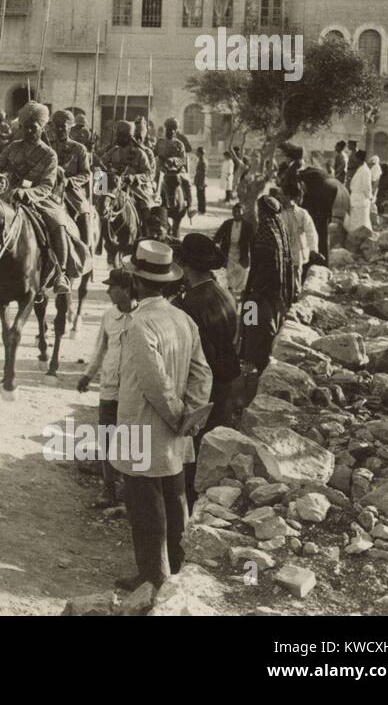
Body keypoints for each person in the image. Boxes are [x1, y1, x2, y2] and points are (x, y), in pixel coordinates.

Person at [113, 240, 211, 591]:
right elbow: (202, 373)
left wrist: (176, 416)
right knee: (174, 498)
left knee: (144, 504)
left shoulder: (140, 323)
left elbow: (154, 382)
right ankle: (175, 568)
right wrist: (191, 416)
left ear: (137, 282)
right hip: (177, 429)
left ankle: (153, 575)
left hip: (144, 425)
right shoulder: (183, 319)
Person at [173, 233, 241, 507]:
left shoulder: (189, 305)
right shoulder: (224, 294)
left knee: (191, 452)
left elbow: (190, 357)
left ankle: (185, 506)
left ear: (185, 265)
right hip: (229, 379)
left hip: (206, 387)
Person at [0, 101, 85, 294]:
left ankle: (64, 269)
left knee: (71, 217)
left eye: (32, 127)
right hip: (12, 194)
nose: (28, 131)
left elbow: (49, 185)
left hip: (48, 195)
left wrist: (74, 183)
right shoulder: (13, 147)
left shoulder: (64, 151)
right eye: (25, 127)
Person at [76, 268, 135, 509]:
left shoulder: (141, 315)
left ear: (126, 289)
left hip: (133, 389)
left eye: (113, 287)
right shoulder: (109, 316)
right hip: (109, 387)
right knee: (107, 436)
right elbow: (100, 349)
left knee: (133, 438)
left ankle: (131, 491)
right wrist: (88, 375)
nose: (108, 291)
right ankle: (108, 488)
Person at [238, 195, 297, 406]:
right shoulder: (279, 234)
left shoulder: (264, 237)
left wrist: (252, 294)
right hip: (274, 301)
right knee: (261, 342)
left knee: (252, 341)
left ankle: (249, 393)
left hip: (258, 300)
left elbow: (263, 271)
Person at [49, 109, 94, 249]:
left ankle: (86, 249)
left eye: (63, 125)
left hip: (70, 190)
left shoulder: (79, 149)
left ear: (70, 127)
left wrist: (70, 181)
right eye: (57, 125)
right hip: (47, 187)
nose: (60, 129)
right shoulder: (46, 146)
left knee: (83, 210)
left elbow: (87, 174)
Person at [281, 181, 319, 284]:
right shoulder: (278, 212)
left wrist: (313, 248)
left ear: (288, 196)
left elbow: (310, 231)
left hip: (296, 251)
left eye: (282, 195)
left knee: (296, 276)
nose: (280, 197)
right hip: (282, 251)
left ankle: (295, 297)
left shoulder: (302, 213)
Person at [344, 149, 373, 235]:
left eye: (355, 158)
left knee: (362, 224)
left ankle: (363, 240)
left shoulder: (365, 171)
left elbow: (367, 187)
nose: (354, 160)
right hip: (356, 200)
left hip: (361, 201)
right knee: (355, 223)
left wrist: (369, 197)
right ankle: (354, 239)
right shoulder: (360, 169)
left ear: (359, 159)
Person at [193, 148, 207, 214]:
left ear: (200, 153)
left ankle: (202, 210)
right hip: (199, 181)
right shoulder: (200, 160)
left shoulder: (203, 161)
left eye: (197, 152)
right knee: (199, 195)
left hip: (201, 181)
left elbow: (203, 173)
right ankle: (200, 209)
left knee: (201, 196)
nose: (196, 154)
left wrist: (202, 183)